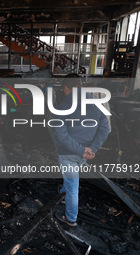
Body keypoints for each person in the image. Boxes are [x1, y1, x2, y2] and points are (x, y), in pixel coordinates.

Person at [55, 73, 110, 226]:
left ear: (66, 88)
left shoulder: (62, 106)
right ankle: (62, 195)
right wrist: (92, 149)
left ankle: (71, 218)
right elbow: (105, 129)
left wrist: (81, 150)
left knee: (73, 187)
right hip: (86, 154)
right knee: (70, 180)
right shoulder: (97, 103)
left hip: (69, 154)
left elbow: (62, 136)